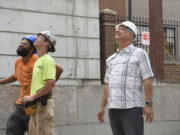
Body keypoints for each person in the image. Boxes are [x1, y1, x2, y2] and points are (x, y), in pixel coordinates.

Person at [97, 21, 154, 135]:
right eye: (116, 29)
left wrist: (148, 104)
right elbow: (108, 85)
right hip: (113, 109)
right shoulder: (111, 59)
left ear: (130, 35)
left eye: (122, 28)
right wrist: (102, 106)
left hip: (132, 108)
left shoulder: (139, 54)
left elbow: (147, 79)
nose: (117, 30)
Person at [0, 35, 63, 135]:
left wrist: (48, 86)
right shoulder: (18, 62)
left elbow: (58, 70)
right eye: (20, 43)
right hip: (24, 103)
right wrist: (1, 81)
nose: (20, 45)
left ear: (31, 49)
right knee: (12, 129)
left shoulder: (39, 59)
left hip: (36, 102)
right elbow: (16, 76)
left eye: (24, 44)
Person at [21, 31, 59, 135]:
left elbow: (51, 83)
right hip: (36, 105)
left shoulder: (48, 60)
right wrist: (31, 97)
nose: (36, 38)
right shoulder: (39, 60)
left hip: (43, 105)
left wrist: (32, 97)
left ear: (46, 43)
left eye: (39, 37)